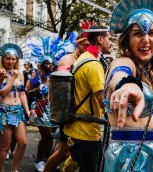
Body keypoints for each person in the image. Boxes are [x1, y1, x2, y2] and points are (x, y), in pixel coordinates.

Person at [102, 0, 153, 171]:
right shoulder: (123, 61)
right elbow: (120, 76)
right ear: (127, 39)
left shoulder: (151, 74)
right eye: (138, 33)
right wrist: (128, 86)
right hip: (131, 156)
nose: (146, 40)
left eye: (152, 33)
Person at [63, 25, 112, 172]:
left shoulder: (82, 59)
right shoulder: (93, 64)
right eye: (109, 39)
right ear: (100, 39)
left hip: (76, 128)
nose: (111, 42)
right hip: (86, 132)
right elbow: (102, 100)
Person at [27, 35, 73, 172]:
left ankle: (47, 160)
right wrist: (36, 89)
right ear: (42, 63)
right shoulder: (36, 76)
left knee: (52, 137)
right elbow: (26, 91)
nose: (50, 65)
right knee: (46, 136)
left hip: (52, 109)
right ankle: (39, 160)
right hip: (40, 108)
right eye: (47, 63)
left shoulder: (55, 77)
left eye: (52, 63)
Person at [43, 34, 89, 172]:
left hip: (81, 112)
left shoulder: (86, 59)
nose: (86, 48)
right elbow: (62, 88)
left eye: (88, 45)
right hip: (67, 112)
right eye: (83, 45)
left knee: (70, 151)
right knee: (63, 151)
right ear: (77, 44)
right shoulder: (67, 60)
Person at [0, 43, 31, 172]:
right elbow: (2, 92)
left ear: (16, 60)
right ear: (3, 59)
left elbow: (22, 94)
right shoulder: (1, 73)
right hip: (4, 111)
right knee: (5, 147)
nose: (10, 61)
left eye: (13, 59)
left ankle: (15, 170)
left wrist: (28, 110)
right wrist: (11, 78)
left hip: (18, 111)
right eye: (8, 58)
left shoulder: (20, 74)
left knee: (23, 142)